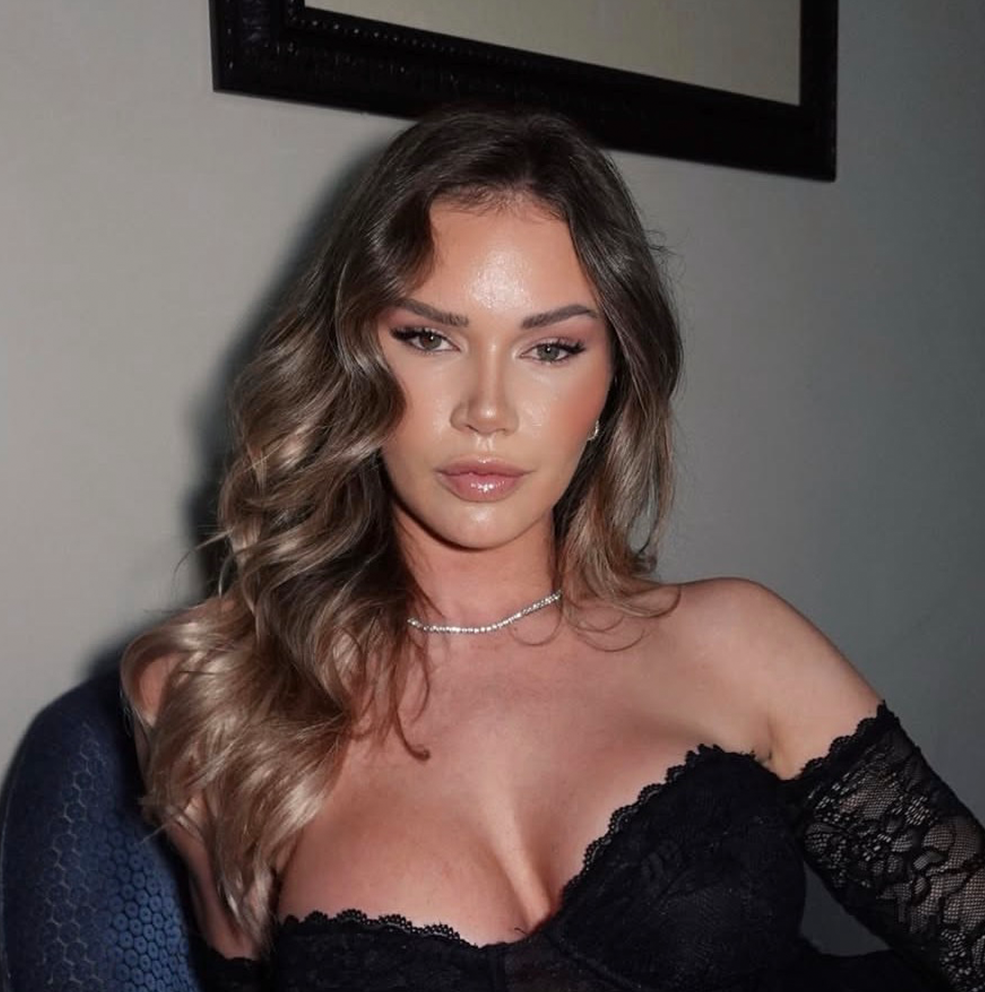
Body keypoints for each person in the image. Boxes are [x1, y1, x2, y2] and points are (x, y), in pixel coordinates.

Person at [122, 105, 984, 991]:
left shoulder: (739, 647)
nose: (487, 411)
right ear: (351, 360)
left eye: (552, 348)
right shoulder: (218, 697)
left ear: (614, 381)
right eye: (429, 338)